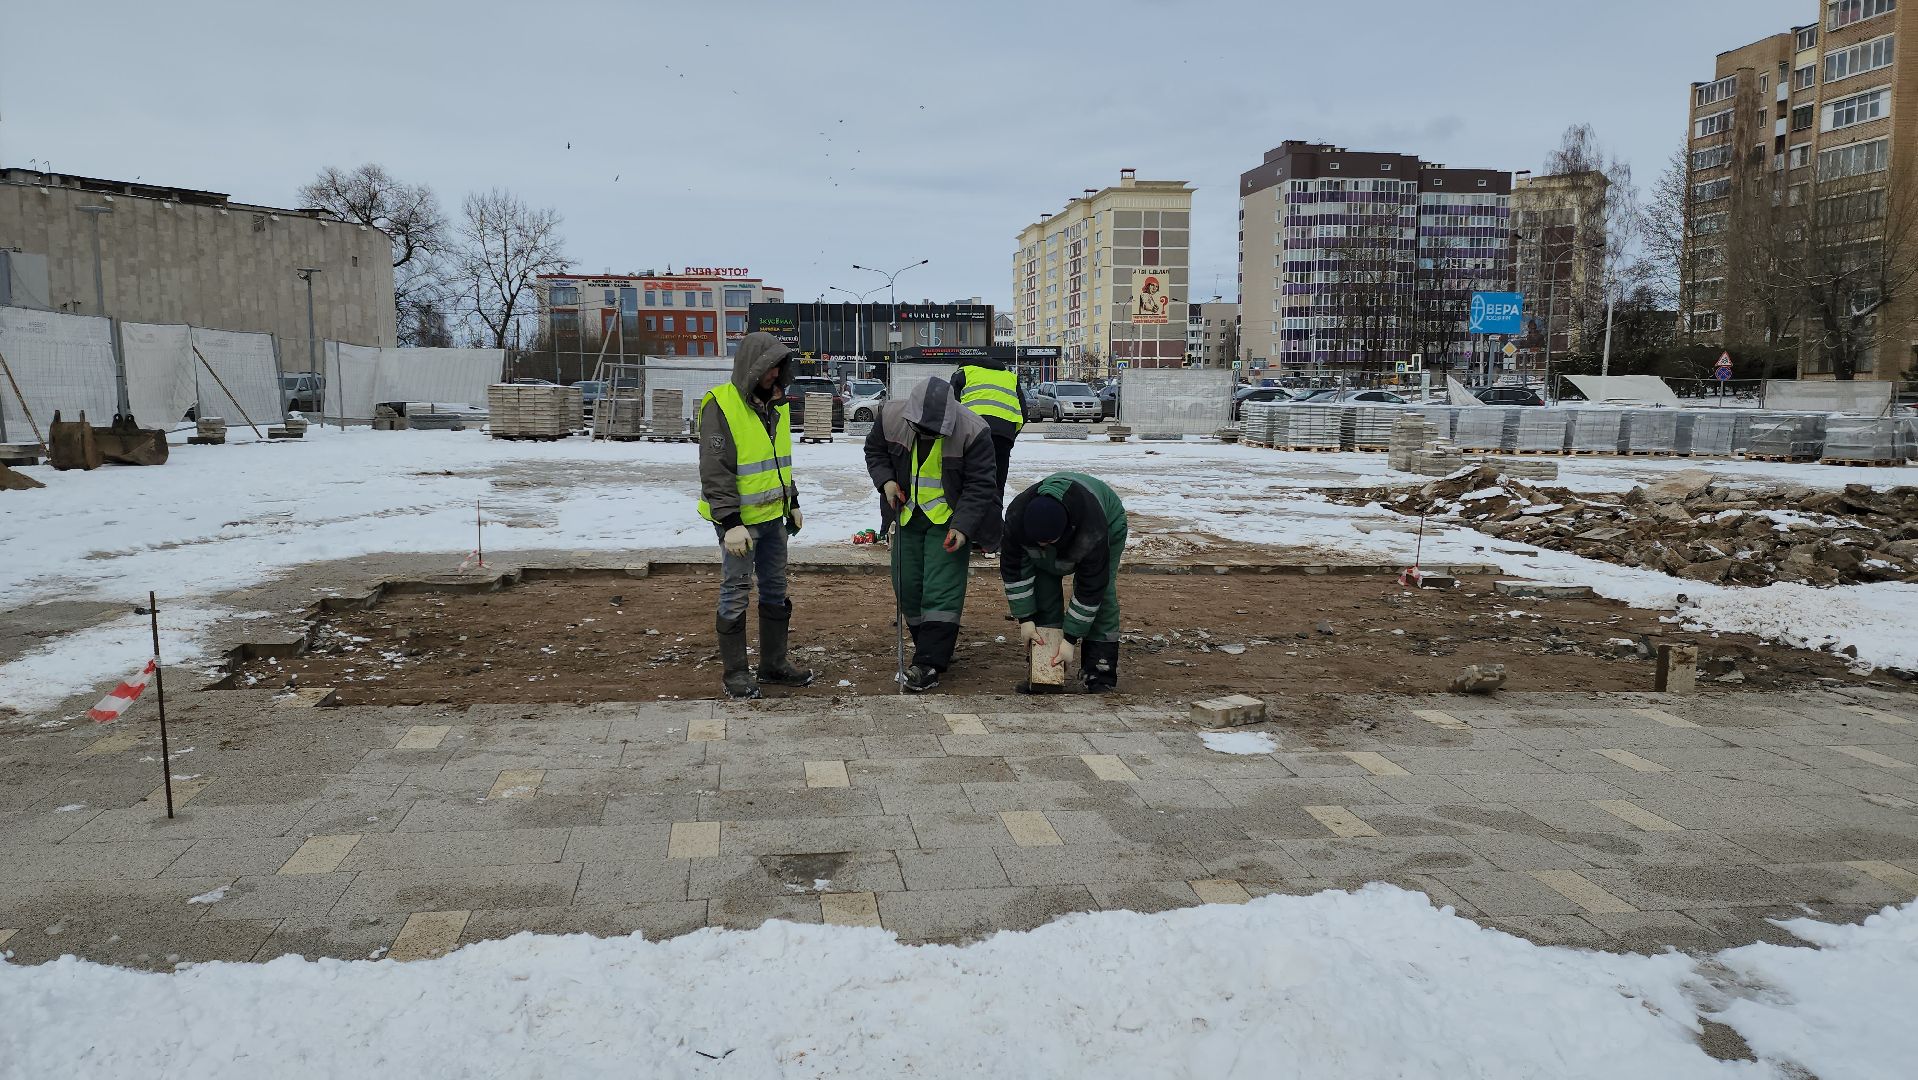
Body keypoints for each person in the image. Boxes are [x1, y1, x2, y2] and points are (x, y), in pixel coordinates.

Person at [696, 331, 815, 700]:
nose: (775, 376)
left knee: (776, 591)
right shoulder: (721, 405)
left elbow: (778, 464)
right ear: (752, 366)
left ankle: (773, 665)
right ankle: (735, 673)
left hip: (772, 519)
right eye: (768, 368)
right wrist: (730, 523)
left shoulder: (774, 406)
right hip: (739, 525)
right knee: (735, 592)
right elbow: (715, 469)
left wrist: (791, 500)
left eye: (779, 369)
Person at [865, 376, 1000, 692]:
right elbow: (875, 452)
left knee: (941, 592)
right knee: (907, 586)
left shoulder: (973, 429)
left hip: (948, 522)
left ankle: (929, 662)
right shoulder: (890, 417)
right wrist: (886, 481)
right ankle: (927, 646)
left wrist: (963, 527)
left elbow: (981, 484)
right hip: (908, 517)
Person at [1001, 471, 1128, 693]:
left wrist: (1070, 639)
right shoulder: (1016, 518)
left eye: (1047, 542)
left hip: (1108, 520)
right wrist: (1026, 619)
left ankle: (1099, 672)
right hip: (1058, 529)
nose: (1042, 546)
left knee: (1103, 596)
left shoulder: (1093, 531)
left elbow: (1091, 589)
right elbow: (1015, 570)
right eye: (1036, 542)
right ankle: (1046, 675)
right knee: (1044, 591)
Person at [947, 355, 1027, 527]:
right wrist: (1009, 436)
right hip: (1003, 436)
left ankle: (966, 528)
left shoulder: (964, 373)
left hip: (972, 433)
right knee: (996, 484)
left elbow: (949, 406)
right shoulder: (1010, 376)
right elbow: (1023, 412)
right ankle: (992, 536)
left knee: (969, 481)